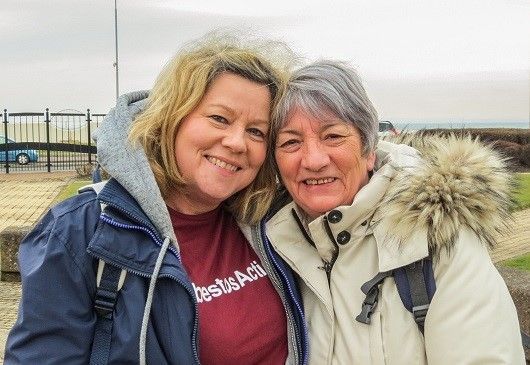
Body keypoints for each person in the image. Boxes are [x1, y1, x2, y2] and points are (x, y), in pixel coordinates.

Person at [5, 34, 308, 364]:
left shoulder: (271, 222)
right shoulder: (79, 230)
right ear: (172, 119)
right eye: (219, 118)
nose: (237, 142)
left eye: (256, 131)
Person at [264, 60, 525, 364]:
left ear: (369, 150)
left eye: (333, 136)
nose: (313, 160)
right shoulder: (271, 243)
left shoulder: (437, 239)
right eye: (291, 142)